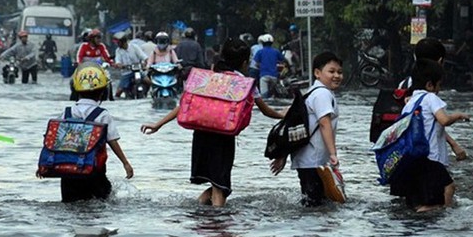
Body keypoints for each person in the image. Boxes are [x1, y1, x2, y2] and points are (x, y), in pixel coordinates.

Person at [141, 37, 284, 207]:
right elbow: (266, 111)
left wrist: (158, 124)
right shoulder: (245, 84)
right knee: (220, 186)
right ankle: (218, 223)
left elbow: (186, 105)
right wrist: (283, 114)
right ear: (245, 62)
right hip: (223, 138)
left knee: (219, 184)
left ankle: (200, 213)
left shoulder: (210, 78)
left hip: (201, 135)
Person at [42, 62, 134, 202]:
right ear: (103, 92)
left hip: (68, 173)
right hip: (94, 172)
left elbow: (52, 141)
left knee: (70, 206)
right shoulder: (102, 115)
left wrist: (44, 166)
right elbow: (112, 141)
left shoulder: (66, 113)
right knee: (98, 206)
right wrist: (125, 163)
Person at [388, 59, 470, 212]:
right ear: (429, 85)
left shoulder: (410, 102)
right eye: (439, 85)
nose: (439, 89)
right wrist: (458, 115)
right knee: (447, 188)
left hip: (413, 157)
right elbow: (444, 120)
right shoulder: (431, 98)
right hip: (430, 157)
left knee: (421, 201)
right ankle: (446, 216)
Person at [270, 51, 343, 207]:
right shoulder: (322, 94)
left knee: (314, 204)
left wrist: (283, 155)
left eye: (339, 72)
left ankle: (308, 230)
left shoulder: (313, 93)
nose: (337, 75)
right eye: (331, 71)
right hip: (313, 160)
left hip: (309, 159)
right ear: (317, 73)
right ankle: (311, 231)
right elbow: (324, 123)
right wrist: (333, 154)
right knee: (315, 206)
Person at [113, 32, 148, 98]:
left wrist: (146, 63)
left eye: (118, 42)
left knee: (148, 81)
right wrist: (119, 65)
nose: (117, 44)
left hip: (138, 71)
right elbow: (118, 61)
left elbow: (143, 56)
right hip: (126, 73)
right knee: (118, 92)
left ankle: (149, 93)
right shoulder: (118, 51)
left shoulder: (134, 47)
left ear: (123, 41)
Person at [253, 34, 287, 98]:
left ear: (263, 43)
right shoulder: (276, 51)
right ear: (271, 43)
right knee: (273, 95)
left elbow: (256, 64)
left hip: (263, 76)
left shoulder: (260, 52)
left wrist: (261, 67)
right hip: (274, 76)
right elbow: (283, 61)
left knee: (264, 96)